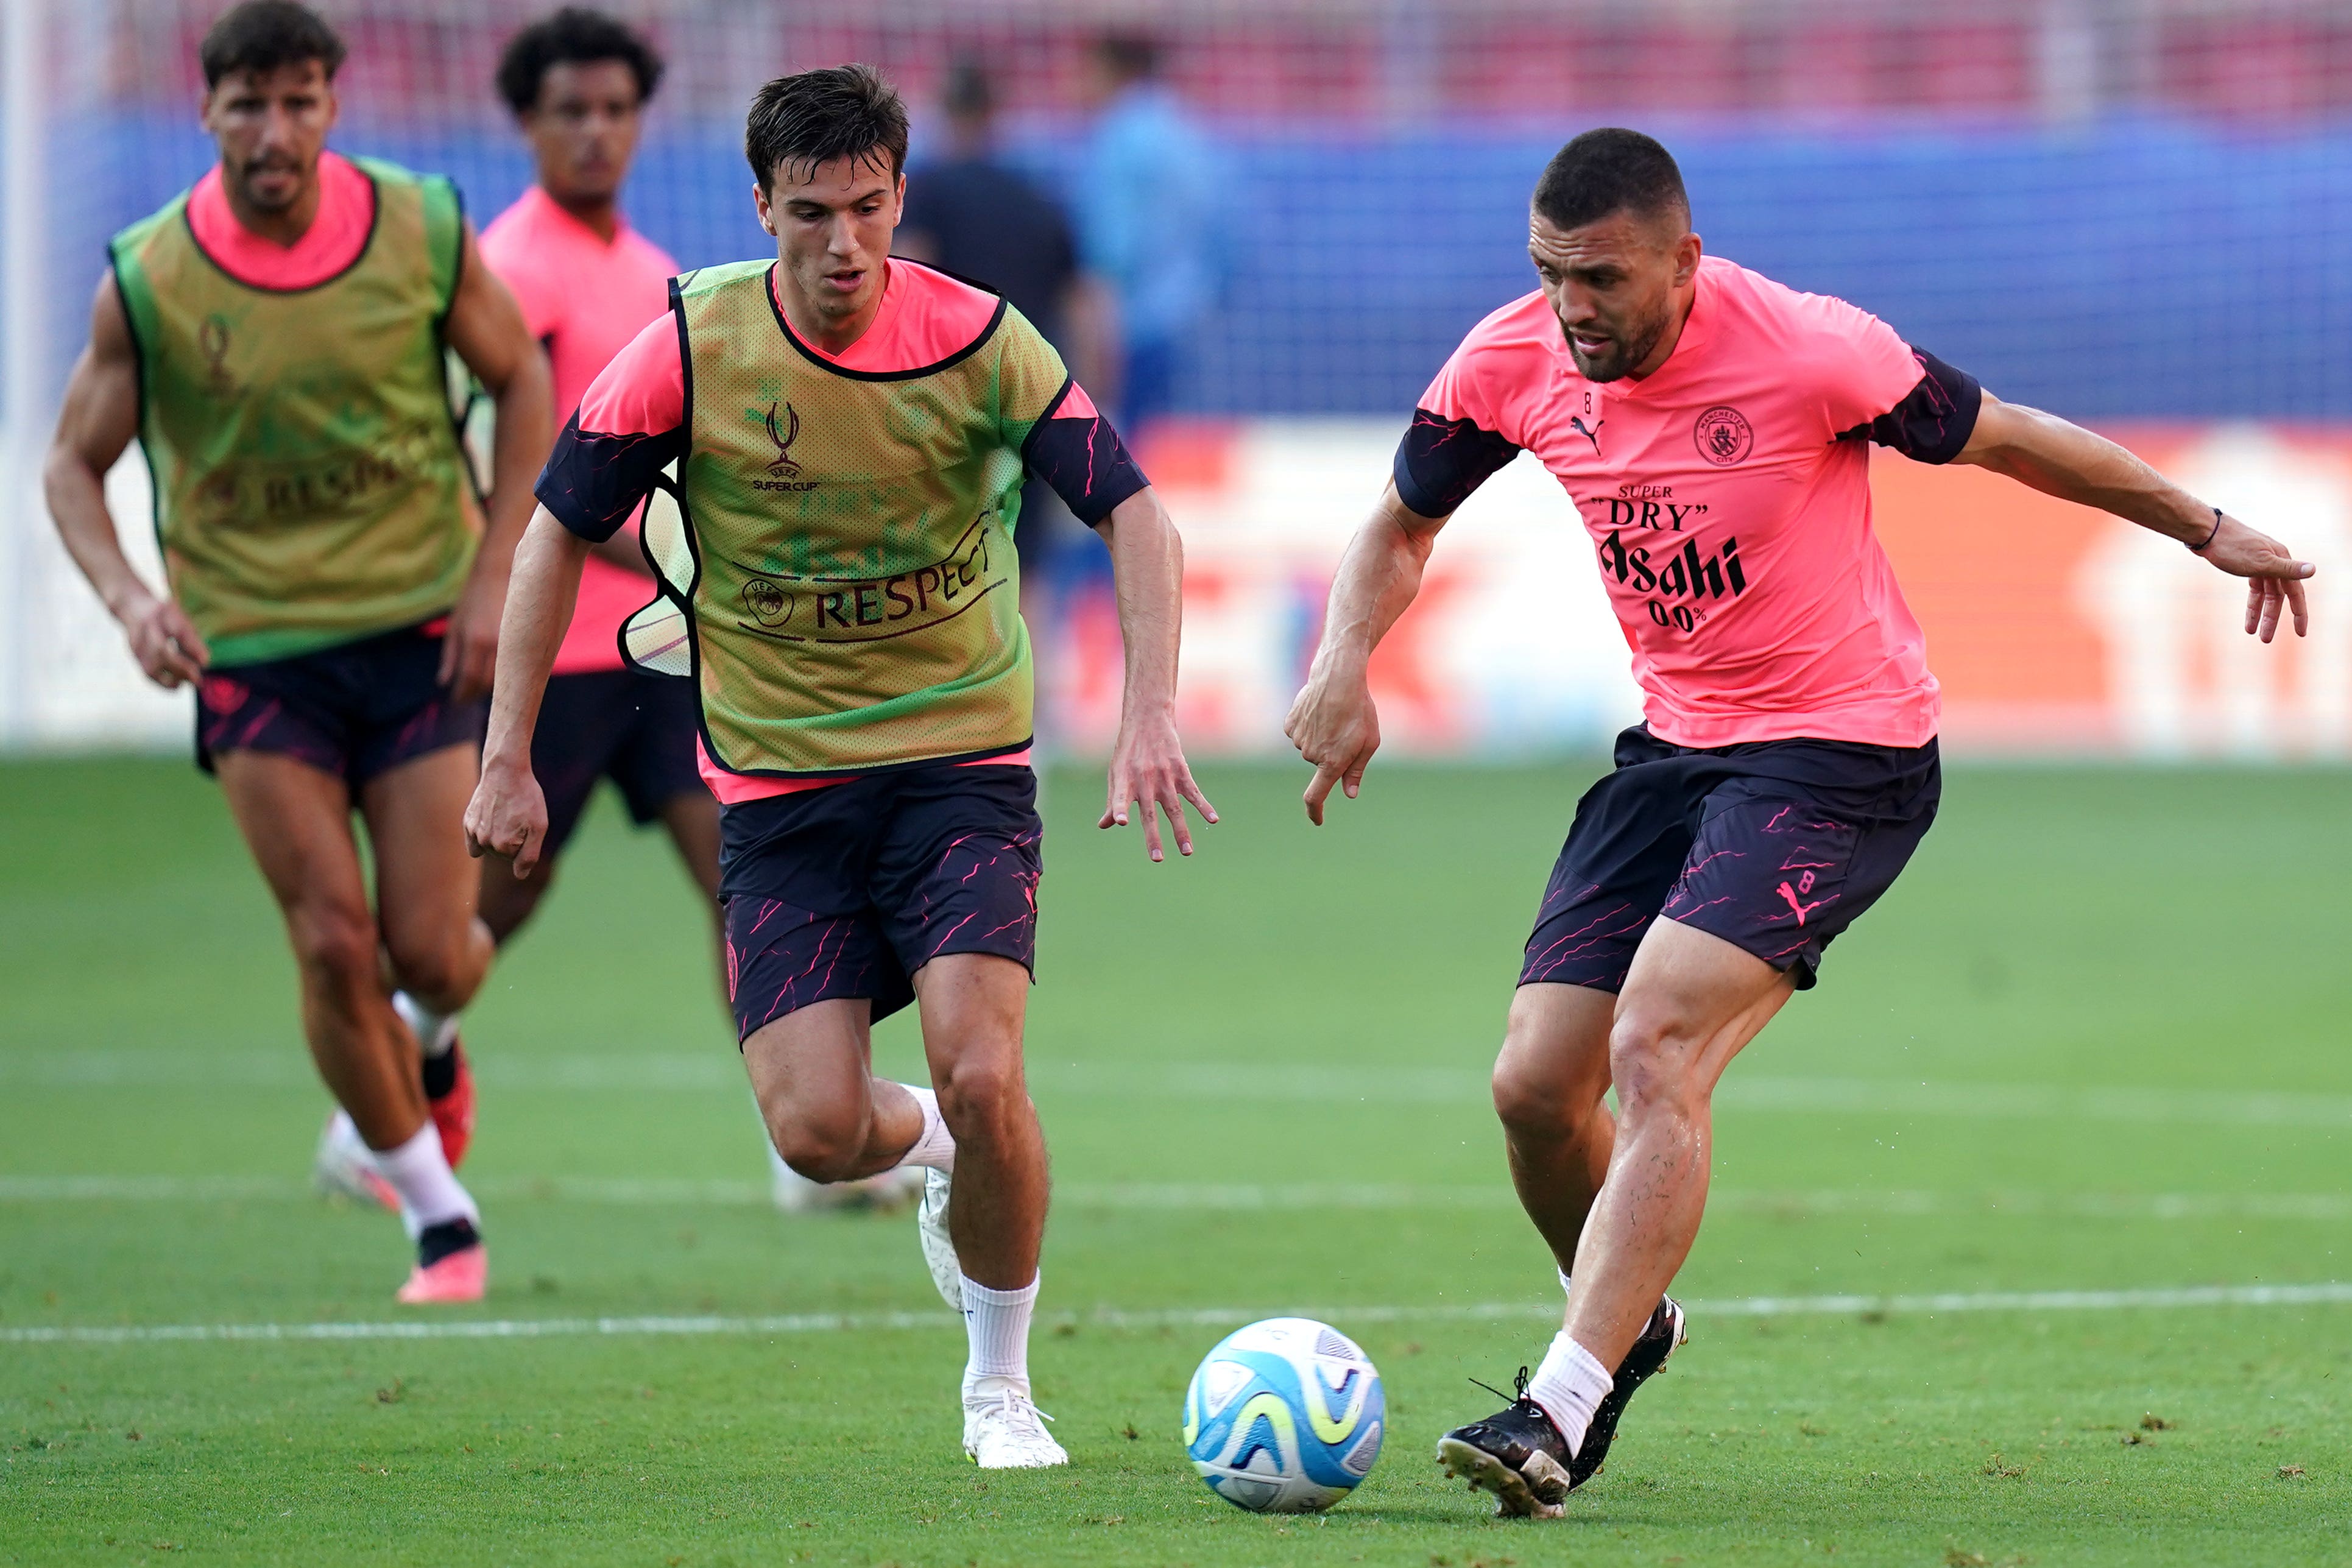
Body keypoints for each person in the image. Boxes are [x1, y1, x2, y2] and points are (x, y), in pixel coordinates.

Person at [1284, 128, 2314, 1517]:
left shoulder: (1811, 350)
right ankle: (1627, 1313)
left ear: (1681, 260)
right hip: (1670, 754)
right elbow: (1394, 527)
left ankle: (1562, 1402)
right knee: (1533, 1087)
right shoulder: (1508, 360)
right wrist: (1342, 663)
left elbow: (2008, 439)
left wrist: (2206, 528)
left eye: (1598, 276)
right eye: (1548, 274)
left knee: (1656, 1041)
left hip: (1843, 753)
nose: (1570, 305)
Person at [463, 65, 1212, 1466]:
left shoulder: (982, 340)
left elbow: (1134, 511)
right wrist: (506, 756)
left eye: (867, 208)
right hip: (781, 792)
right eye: (809, 213)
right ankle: (935, 1151)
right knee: (814, 1130)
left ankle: (1000, 1384)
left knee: (987, 1070)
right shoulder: (687, 348)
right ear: (761, 208)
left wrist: (1148, 708)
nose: (843, 243)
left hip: (961, 771)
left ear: (900, 199)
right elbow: (553, 529)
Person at [43, 0, 552, 1303]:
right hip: (257, 657)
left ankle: (429, 1054)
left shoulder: (419, 230)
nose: (274, 132)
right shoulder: (149, 279)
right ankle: (440, 1218)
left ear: (332, 104)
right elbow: (72, 467)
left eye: (298, 103)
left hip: (419, 640)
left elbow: (523, 381)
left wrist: (498, 571)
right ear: (207, 111)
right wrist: (129, 604)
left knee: (432, 957)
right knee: (331, 943)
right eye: (247, 106)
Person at [898, 55, 1116, 737]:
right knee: (1032, 570)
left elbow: (901, 277)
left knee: (934, 559)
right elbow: (1090, 308)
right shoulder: (1040, 199)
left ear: (945, 113)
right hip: (1033, 407)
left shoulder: (926, 191)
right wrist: (1089, 401)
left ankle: (935, 714)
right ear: (995, 116)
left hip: (946, 411)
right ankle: (1032, 722)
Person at [1073, 32, 1218, 434]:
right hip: (1190, 313)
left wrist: (1097, 337)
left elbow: (1110, 250)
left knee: (1133, 457)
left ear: (1114, 72)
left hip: (1136, 324)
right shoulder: (1188, 132)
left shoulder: (1118, 137)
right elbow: (1223, 232)